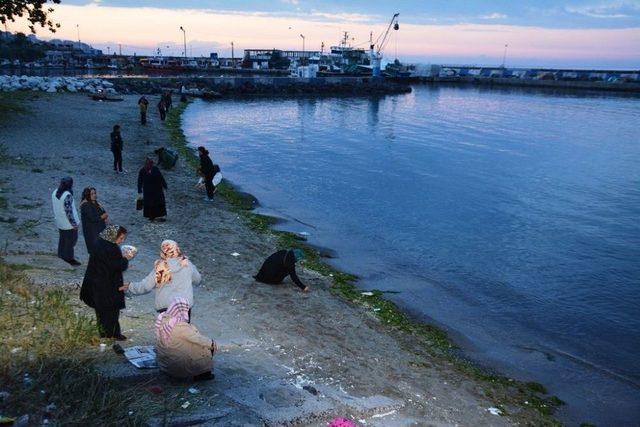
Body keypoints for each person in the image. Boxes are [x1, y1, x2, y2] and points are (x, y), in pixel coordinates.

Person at [80, 225, 132, 340]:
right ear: (113, 235)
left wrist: (120, 256)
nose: (122, 240)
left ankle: (106, 333)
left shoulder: (100, 242)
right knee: (111, 310)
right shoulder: (111, 248)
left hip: (95, 282)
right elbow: (117, 266)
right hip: (107, 285)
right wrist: (126, 258)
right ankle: (112, 334)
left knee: (101, 311)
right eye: (121, 238)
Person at [128, 240, 201, 315]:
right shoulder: (187, 264)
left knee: (166, 326)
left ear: (163, 252)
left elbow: (146, 287)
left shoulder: (161, 267)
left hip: (165, 306)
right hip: (184, 306)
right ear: (177, 249)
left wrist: (129, 286)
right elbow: (198, 280)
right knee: (182, 326)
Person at [155, 298, 216, 381]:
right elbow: (198, 339)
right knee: (204, 348)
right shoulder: (180, 326)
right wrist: (212, 344)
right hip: (176, 368)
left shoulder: (163, 318)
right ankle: (202, 374)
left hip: (165, 364)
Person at [51, 177, 81, 266]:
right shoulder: (67, 195)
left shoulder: (55, 192)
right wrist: (74, 224)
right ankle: (69, 259)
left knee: (63, 239)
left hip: (60, 221)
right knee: (71, 241)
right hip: (68, 223)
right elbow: (69, 211)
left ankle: (61, 254)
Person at [80, 187, 108, 255]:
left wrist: (104, 216)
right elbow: (92, 218)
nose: (94, 195)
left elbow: (102, 210)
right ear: (87, 195)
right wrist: (103, 216)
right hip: (92, 232)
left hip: (98, 229)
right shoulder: (85, 205)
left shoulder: (94, 202)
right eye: (92, 194)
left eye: (95, 193)